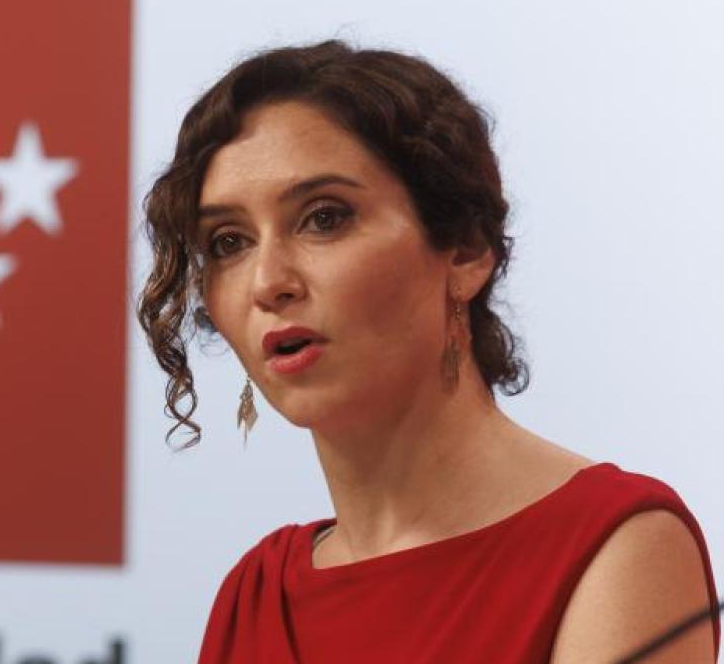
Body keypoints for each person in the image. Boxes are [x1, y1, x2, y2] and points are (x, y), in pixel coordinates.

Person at [138, 41, 719, 663]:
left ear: (466, 251)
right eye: (228, 242)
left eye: (324, 218)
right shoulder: (254, 592)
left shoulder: (618, 545)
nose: (267, 282)